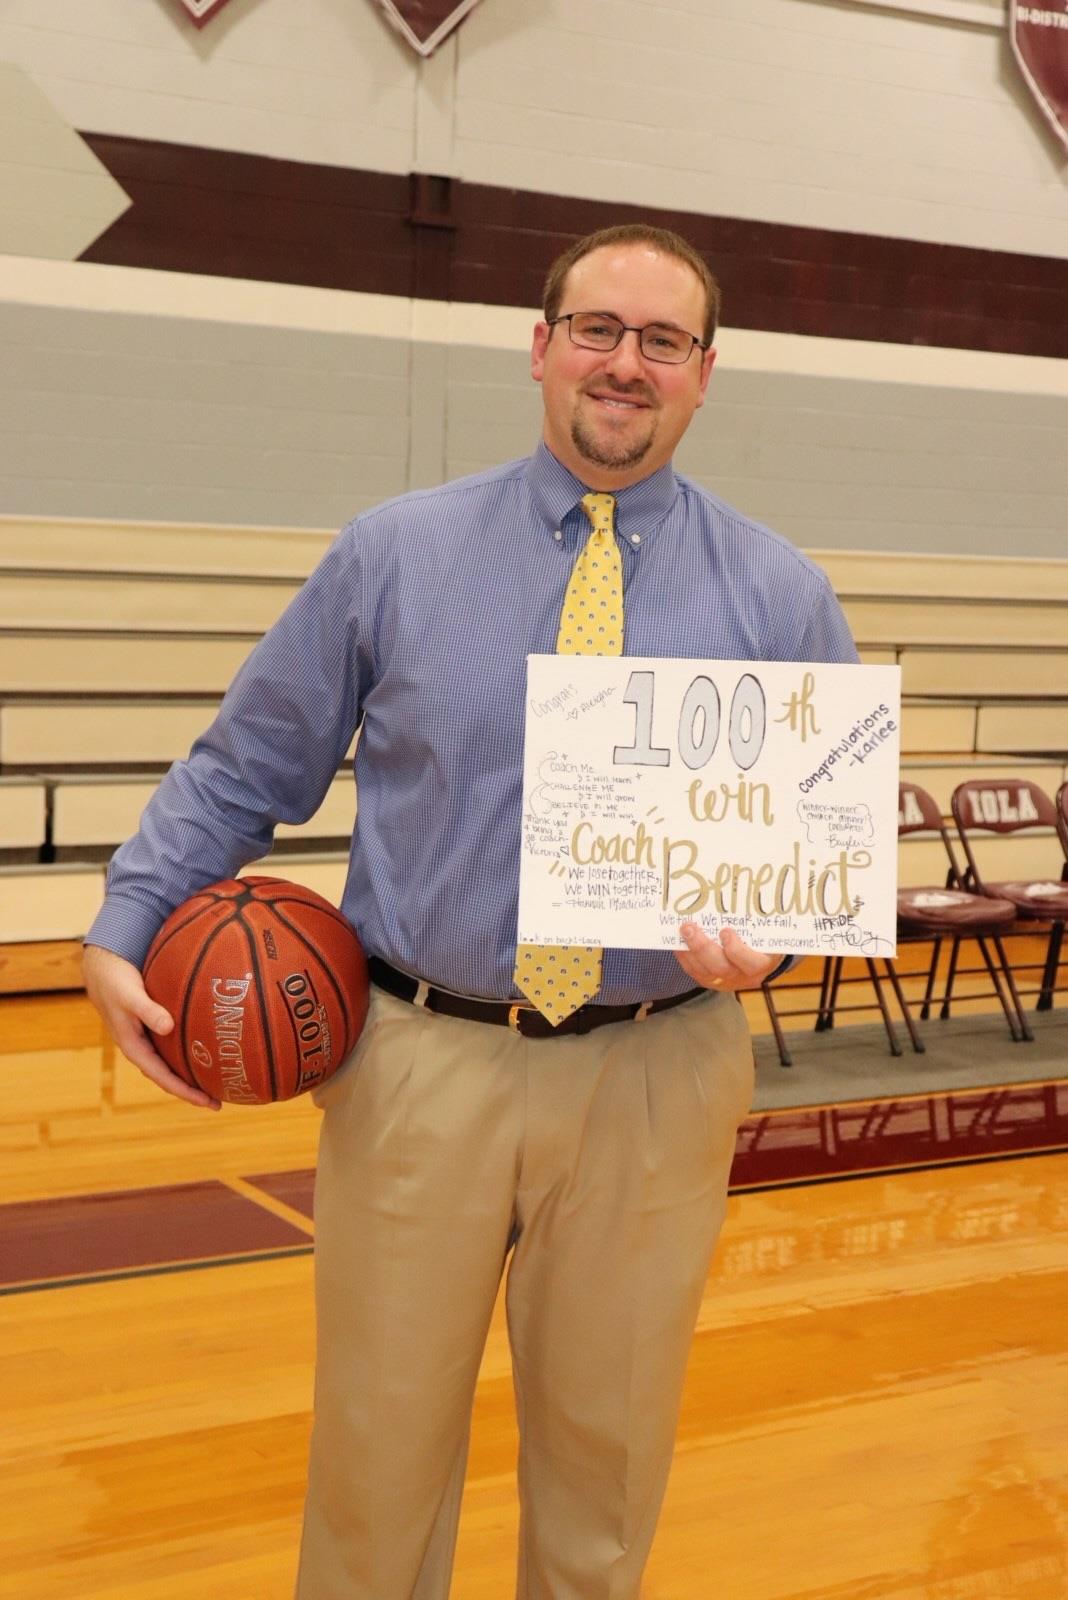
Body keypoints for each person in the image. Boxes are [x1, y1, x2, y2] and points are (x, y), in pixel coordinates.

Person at [83, 222, 858, 1599]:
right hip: (420, 1063)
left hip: (659, 1066)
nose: (627, 364)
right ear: (542, 345)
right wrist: (124, 922)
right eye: (599, 330)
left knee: (605, 1471)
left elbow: (803, 853)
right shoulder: (395, 553)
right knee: (376, 1466)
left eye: (662, 341)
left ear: (706, 373)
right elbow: (248, 766)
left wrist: (776, 940)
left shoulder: (783, 595)